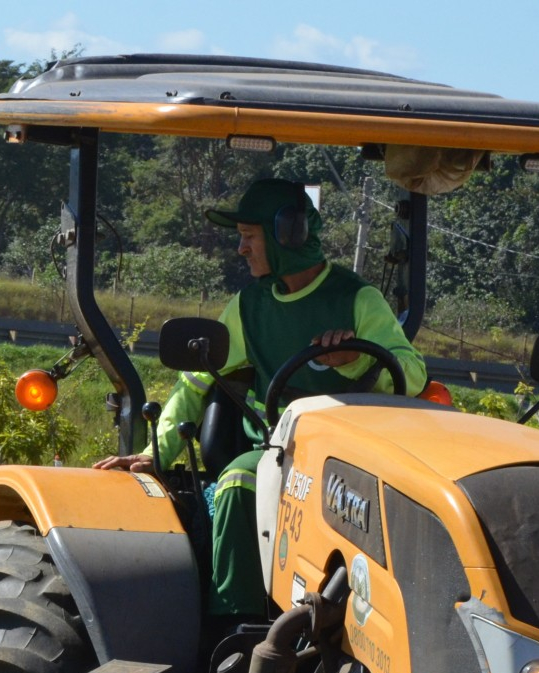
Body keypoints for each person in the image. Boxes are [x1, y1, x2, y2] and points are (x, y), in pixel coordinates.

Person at [96, 177, 426, 620]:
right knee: (237, 481)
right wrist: (156, 453)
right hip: (282, 452)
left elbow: (414, 375)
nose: (241, 249)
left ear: (286, 234)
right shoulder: (249, 307)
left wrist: (350, 361)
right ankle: (236, 625)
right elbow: (194, 384)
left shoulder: (356, 299)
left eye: (249, 237)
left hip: (353, 458)